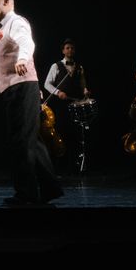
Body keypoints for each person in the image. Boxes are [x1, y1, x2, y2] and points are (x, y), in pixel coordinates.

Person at [0, 0, 62, 206]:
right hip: (13, 89)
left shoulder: (16, 22)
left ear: (7, 1)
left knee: (22, 141)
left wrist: (22, 59)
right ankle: (49, 189)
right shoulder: (0, 30)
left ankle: (27, 194)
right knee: (29, 140)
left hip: (22, 87)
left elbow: (27, 43)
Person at [43, 38, 90, 172]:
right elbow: (47, 84)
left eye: (72, 48)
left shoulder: (79, 67)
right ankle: (59, 166)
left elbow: (83, 85)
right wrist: (58, 92)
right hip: (61, 105)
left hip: (76, 104)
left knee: (75, 134)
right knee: (61, 133)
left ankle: (73, 165)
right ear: (63, 51)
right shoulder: (56, 66)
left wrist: (85, 91)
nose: (70, 50)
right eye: (67, 48)